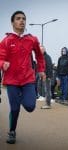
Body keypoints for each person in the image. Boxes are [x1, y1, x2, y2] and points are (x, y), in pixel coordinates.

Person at [0, 11, 45, 144]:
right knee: (14, 109)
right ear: (12, 22)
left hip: (27, 79)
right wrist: (3, 63)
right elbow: (0, 58)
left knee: (30, 106)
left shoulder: (32, 39)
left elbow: (39, 55)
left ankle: (20, 97)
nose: (22, 21)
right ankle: (12, 131)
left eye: (24, 19)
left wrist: (41, 70)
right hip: (12, 80)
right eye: (18, 18)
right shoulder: (6, 41)